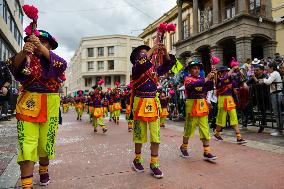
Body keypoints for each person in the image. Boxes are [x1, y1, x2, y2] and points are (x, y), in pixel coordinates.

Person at [4, 30, 67, 188]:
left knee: (46, 143)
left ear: (50, 47)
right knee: (27, 144)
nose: (38, 44)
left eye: (43, 42)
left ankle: (44, 170)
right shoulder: (25, 59)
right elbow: (11, 65)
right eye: (35, 41)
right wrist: (24, 51)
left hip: (50, 103)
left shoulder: (55, 61)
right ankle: (27, 184)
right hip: (28, 102)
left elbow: (63, 65)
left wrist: (40, 48)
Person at [130, 44, 175, 178]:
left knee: (156, 135)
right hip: (140, 103)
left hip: (154, 104)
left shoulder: (154, 70)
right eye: (142, 53)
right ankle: (137, 159)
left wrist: (165, 52)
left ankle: (154, 163)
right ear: (137, 57)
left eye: (147, 52)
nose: (145, 54)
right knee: (139, 134)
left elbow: (168, 65)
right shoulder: (136, 68)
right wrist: (153, 48)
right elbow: (143, 62)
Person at [179, 60, 217, 161]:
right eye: (195, 68)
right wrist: (207, 78)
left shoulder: (202, 78)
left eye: (198, 68)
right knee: (189, 127)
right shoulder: (187, 79)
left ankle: (206, 151)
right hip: (191, 105)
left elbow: (208, 87)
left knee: (205, 128)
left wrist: (212, 78)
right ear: (190, 70)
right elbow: (194, 85)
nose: (197, 70)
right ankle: (184, 147)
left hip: (202, 105)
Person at [214, 66, 247, 144]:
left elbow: (239, 82)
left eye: (226, 71)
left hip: (230, 100)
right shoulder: (218, 80)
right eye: (224, 71)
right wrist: (232, 69)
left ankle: (239, 137)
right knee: (221, 119)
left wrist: (240, 73)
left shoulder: (230, 79)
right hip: (222, 100)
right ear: (220, 73)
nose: (226, 72)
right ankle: (217, 133)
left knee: (234, 117)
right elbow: (223, 79)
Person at [259, 62, 283, 136]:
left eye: (268, 68)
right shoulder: (274, 73)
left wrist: (263, 80)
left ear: (272, 68)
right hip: (276, 94)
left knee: (277, 113)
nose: (267, 69)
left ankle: (279, 130)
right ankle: (279, 128)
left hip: (276, 94)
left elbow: (268, 82)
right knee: (277, 113)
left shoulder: (274, 73)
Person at [247, 64, 269, 133]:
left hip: (263, 96)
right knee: (248, 105)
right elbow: (247, 83)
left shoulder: (265, 76)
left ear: (262, 71)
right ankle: (252, 119)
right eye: (255, 70)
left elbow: (260, 83)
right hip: (255, 96)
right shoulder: (254, 76)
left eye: (257, 70)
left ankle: (262, 125)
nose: (255, 71)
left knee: (263, 111)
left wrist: (254, 77)